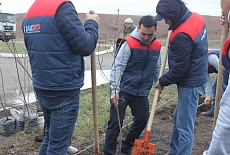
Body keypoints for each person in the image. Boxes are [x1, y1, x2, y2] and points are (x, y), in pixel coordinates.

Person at [22, 0, 99, 154]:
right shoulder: (62, 8)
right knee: (57, 147)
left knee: (50, 139)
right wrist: (91, 23)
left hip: (42, 86)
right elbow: (85, 45)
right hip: (63, 89)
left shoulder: (31, 12)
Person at [153, 0, 208, 154]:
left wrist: (162, 81)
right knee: (179, 118)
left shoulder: (181, 35)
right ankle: (173, 152)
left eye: (166, 17)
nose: (165, 21)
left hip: (190, 84)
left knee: (184, 128)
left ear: (174, 14)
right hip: (198, 75)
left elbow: (179, 70)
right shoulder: (197, 17)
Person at [103, 15, 162, 155]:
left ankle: (127, 145)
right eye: (143, 34)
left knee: (142, 118)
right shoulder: (128, 43)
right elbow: (118, 67)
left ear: (155, 30)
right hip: (124, 89)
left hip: (142, 91)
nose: (146, 37)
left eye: (150, 34)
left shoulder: (157, 45)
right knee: (115, 122)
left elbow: (157, 66)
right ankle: (109, 152)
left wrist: (158, 85)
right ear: (138, 28)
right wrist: (114, 90)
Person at [203, 0, 230, 154]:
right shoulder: (200, 68)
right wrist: (208, 96)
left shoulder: (208, 58)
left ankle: (215, 109)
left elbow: (220, 67)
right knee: (213, 89)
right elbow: (206, 80)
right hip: (225, 69)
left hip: (223, 67)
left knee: (217, 87)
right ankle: (214, 107)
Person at [201, 49, 220, 117]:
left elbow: (221, 70)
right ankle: (214, 111)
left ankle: (217, 111)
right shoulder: (200, 66)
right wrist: (208, 96)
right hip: (222, 70)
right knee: (214, 88)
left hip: (225, 69)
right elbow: (207, 81)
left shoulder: (210, 57)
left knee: (218, 87)